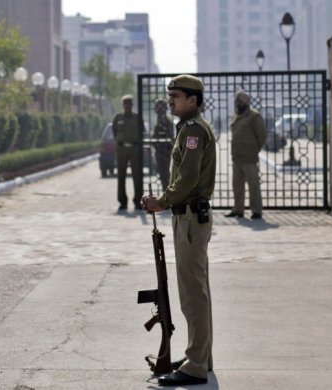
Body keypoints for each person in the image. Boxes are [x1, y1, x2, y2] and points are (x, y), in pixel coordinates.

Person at [142, 74, 216, 386]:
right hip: (187, 217)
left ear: (193, 100)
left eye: (177, 95)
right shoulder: (188, 128)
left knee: (192, 294)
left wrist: (161, 201)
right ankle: (200, 358)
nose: (171, 100)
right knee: (197, 290)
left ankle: (196, 365)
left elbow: (185, 179)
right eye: (170, 94)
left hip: (189, 219)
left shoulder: (194, 131)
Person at [226, 89, 266, 219]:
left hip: (249, 158)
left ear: (245, 102)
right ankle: (238, 210)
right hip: (237, 157)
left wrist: (254, 149)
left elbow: (261, 136)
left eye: (239, 101)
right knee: (237, 186)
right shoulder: (236, 116)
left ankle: (256, 211)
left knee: (253, 185)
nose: (237, 103)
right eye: (236, 101)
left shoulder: (254, 116)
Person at [112, 95, 142, 211]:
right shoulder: (118, 118)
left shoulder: (137, 117)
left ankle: (138, 201)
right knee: (121, 176)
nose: (127, 106)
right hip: (122, 149)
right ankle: (122, 202)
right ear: (123, 105)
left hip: (135, 148)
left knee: (137, 176)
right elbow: (114, 131)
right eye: (125, 104)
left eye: (129, 104)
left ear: (132, 105)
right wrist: (120, 141)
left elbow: (142, 131)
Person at [152, 98, 174, 191]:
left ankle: (167, 193)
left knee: (164, 172)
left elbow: (168, 136)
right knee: (162, 172)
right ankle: (166, 192)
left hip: (164, 150)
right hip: (160, 149)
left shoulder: (165, 121)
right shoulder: (160, 120)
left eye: (158, 107)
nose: (156, 110)